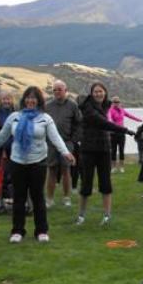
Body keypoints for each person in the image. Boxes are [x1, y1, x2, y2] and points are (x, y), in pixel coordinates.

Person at [0, 87, 76, 243]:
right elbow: (1, 136)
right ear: (23, 100)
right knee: (18, 197)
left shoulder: (45, 118)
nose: (30, 100)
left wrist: (65, 152)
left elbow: (55, 137)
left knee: (37, 197)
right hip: (17, 162)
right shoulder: (14, 117)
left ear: (39, 101)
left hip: (38, 162)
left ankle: (41, 231)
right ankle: (17, 231)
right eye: (28, 97)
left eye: (34, 98)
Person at [76, 82, 134, 226]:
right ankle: (81, 215)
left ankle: (107, 215)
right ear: (91, 93)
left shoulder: (107, 105)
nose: (98, 94)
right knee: (86, 184)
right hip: (88, 149)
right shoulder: (88, 107)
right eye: (95, 92)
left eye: (101, 91)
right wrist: (125, 130)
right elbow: (103, 123)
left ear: (105, 92)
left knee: (106, 183)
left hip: (104, 148)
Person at [45, 80, 81, 208]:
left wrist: (73, 140)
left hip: (67, 143)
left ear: (66, 90)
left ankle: (66, 197)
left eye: (59, 89)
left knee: (66, 170)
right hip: (51, 144)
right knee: (52, 170)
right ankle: (49, 199)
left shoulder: (72, 105)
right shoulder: (47, 106)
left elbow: (79, 123)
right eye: (54, 90)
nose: (56, 92)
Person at [108, 96, 141, 174]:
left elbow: (130, 116)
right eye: (115, 102)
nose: (116, 103)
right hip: (113, 133)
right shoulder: (110, 110)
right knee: (113, 150)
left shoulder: (122, 110)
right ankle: (113, 167)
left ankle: (122, 167)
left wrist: (140, 120)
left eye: (118, 102)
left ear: (120, 103)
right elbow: (109, 119)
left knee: (121, 150)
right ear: (112, 103)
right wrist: (113, 125)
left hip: (122, 133)